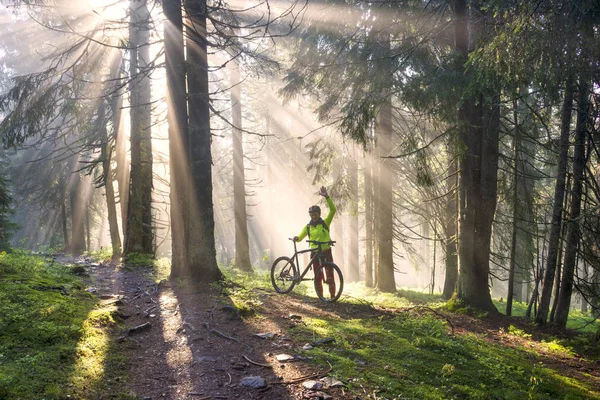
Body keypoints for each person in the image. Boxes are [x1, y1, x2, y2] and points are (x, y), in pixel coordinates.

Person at [293, 186, 337, 298]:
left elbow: (333, 210)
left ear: (319, 214)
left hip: (326, 251)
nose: (313, 216)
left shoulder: (325, 223)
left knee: (330, 275)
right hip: (314, 253)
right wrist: (297, 238)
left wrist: (327, 197)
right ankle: (321, 297)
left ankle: (333, 297)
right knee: (318, 276)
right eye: (311, 214)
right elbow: (301, 236)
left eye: (315, 214)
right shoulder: (308, 227)